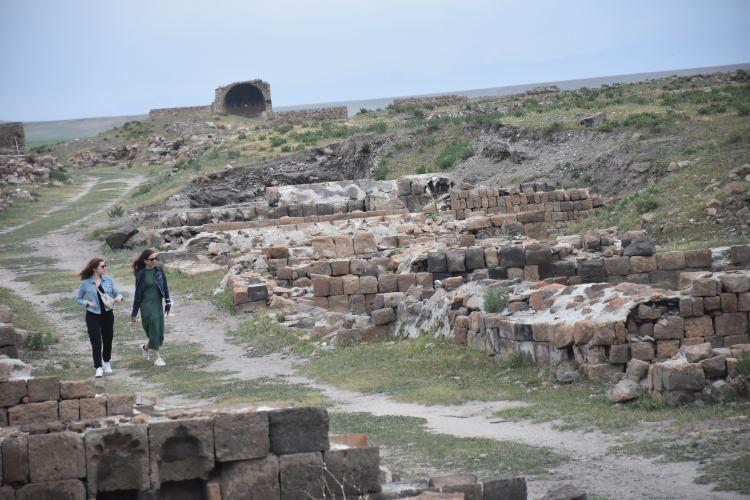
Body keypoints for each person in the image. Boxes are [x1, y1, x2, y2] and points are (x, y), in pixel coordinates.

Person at [76, 258, 124, 378]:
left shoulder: (108, 280)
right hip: (92, 315)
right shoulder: (86, 283)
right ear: (94, 268)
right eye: (102, 266)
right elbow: (78, 299)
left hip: (108, 314)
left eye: (105, 266)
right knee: (96, 341)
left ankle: (106, 362)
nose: (105, 268)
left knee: (108, 338)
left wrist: (119, 297)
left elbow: (118, 293)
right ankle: (98, 367)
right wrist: (87, 303)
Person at [130, 248, 171, 366]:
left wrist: (168, 302)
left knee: (159, 330)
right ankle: (158, 358)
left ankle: (145, 347)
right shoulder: (141, 274)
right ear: (145, 261)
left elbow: (165, 287)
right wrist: (134, 312)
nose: (154, 261)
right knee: (153, 327)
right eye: (152, 259)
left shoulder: (159, 271)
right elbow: (137, 294)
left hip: (157, 303)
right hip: (146, 305)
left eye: (155, 259)